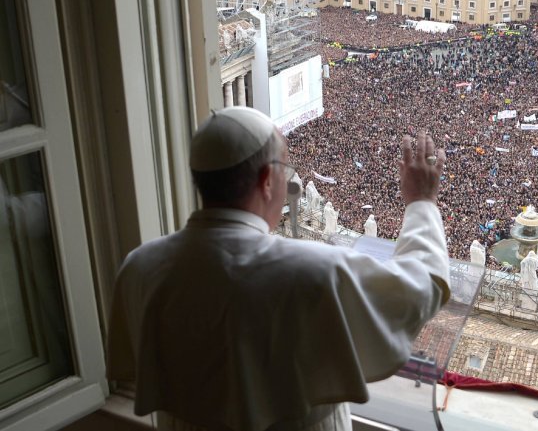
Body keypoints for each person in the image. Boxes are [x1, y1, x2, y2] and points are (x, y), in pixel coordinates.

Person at [107, 107, 450, 431]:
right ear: (268, 179)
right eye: (285, 169)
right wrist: (421, 202)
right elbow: (421, 287)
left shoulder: (140, 266)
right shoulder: (314, 272)